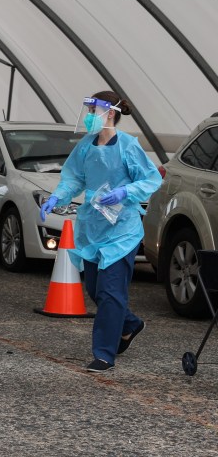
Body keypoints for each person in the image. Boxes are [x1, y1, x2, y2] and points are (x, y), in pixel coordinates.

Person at [39, 92, 162, 373]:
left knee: (110, 292)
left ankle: (104, 354)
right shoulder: (85, 145)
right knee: (95, 288)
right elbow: (73, 177)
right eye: (89, 109)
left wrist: (125, 191)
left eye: (93, 110)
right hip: (94, 226)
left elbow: (151, 178)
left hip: (122, 230)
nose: (89, 115)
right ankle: (130, 324)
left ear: (110, 113)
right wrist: (57, 197)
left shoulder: (128, 146)